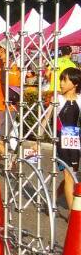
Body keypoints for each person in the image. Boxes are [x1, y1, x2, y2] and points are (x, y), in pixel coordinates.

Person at [55, 66, 81, 209]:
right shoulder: (57, 99)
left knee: (72, 174)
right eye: (61, 80)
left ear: (75, 83)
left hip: (75, 141)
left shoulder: (80, 99)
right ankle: (72, 213)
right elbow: (45, 119)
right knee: (68, 175)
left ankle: (54, 197)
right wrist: (37, 141)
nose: (61, 83)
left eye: (65, 80)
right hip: (61, 140)